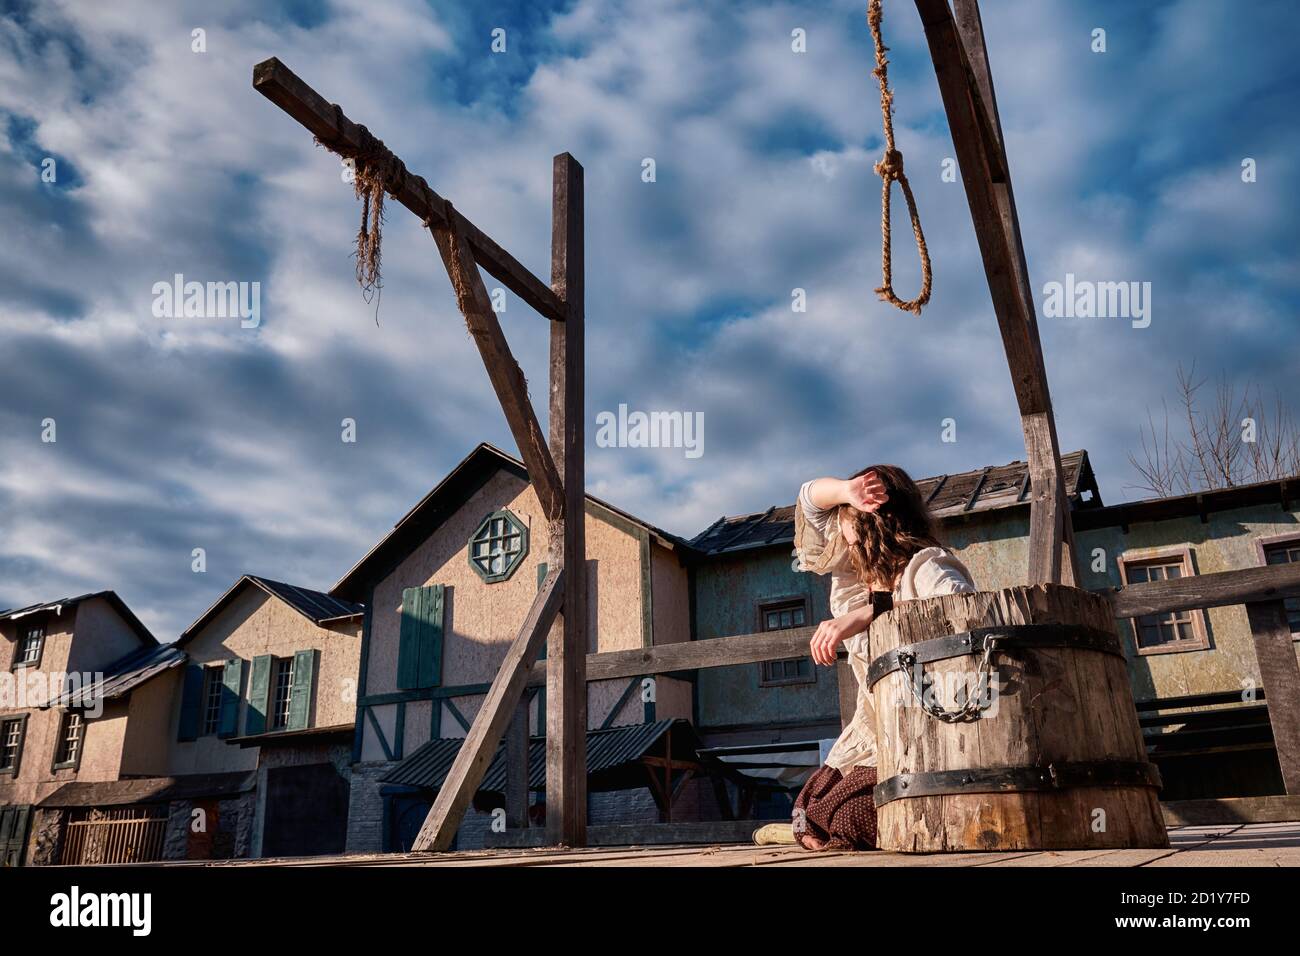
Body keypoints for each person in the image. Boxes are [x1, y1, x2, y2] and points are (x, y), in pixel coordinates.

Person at [791, 464, 975, 850]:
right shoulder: (852, 574)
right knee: (809, 810)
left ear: (870, 524)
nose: (840, 528)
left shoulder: (927, 565)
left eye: (847, 518)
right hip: (877, 723)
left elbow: (963, 613)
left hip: (926, 730)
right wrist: (846, 490)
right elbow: (808, 498)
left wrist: (871, 612)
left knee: (850, 819)